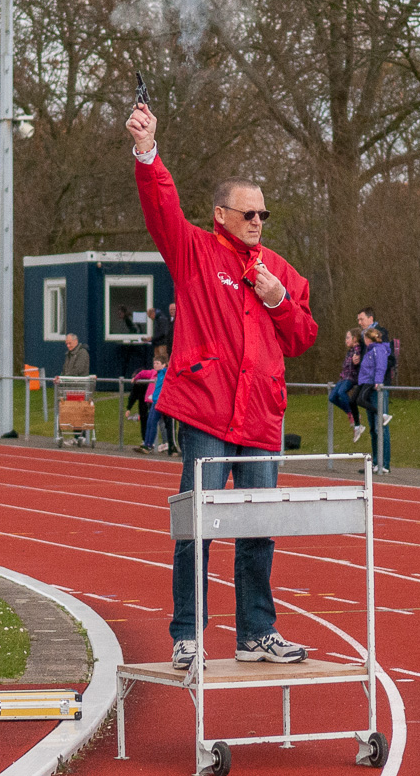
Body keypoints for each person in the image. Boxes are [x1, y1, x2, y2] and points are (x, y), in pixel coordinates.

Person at [126, 101, 318, 670]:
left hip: (261, 415)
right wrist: (147, 150)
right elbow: (161, 207)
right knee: (198, 526)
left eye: (264, 213)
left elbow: (303, 336)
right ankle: (189, 634)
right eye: (249, 212)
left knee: (259, 526)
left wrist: (278, 301)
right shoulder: (194, 252)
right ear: (221, 215)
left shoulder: (280, 271)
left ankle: (257, 633)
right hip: (208, 413)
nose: (259, 220)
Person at [355, 309, 392, 472]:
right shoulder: (364, 340)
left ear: (371, 318)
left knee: (380, 427)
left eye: (361, 319)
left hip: (378, 387)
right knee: (372, 426)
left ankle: (384, 464)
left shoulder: (380, 335)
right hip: (368, 385)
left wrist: (379, 380)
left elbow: (385, 361)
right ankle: (376, 462)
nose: (359, 322)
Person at [328, 328, 364, 442]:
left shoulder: (357, 349)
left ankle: (354, 414)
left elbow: (359, 358)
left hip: (352, 378)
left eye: (348, 338)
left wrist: (356, 359)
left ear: (354, 338)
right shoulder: (350, 350)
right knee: (332, 397)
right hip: (344, 377)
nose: (346, 340)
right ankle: (350, 413)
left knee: (341, 392)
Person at [356, 328, 394, 430]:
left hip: (370, 380)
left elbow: (380, 366)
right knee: (355, 399)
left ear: (368, 339)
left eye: (365, 338)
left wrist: (378, 381)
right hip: (365, 380)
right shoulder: (370, 350)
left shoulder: (378, 349)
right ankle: (357, 424)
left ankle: (382, 414)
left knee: (361, 400)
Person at [134, 353, 171, 453]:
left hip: (161, 402)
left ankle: (149, 445)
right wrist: (135, 378)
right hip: (155, 401)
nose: (155, 365)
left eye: (158, 363)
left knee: (154, 422)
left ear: (164, 365)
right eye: (154, 363)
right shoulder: (156, 373)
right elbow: (143, 373)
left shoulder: (166, 372)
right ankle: (147, 444)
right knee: (150, 422)